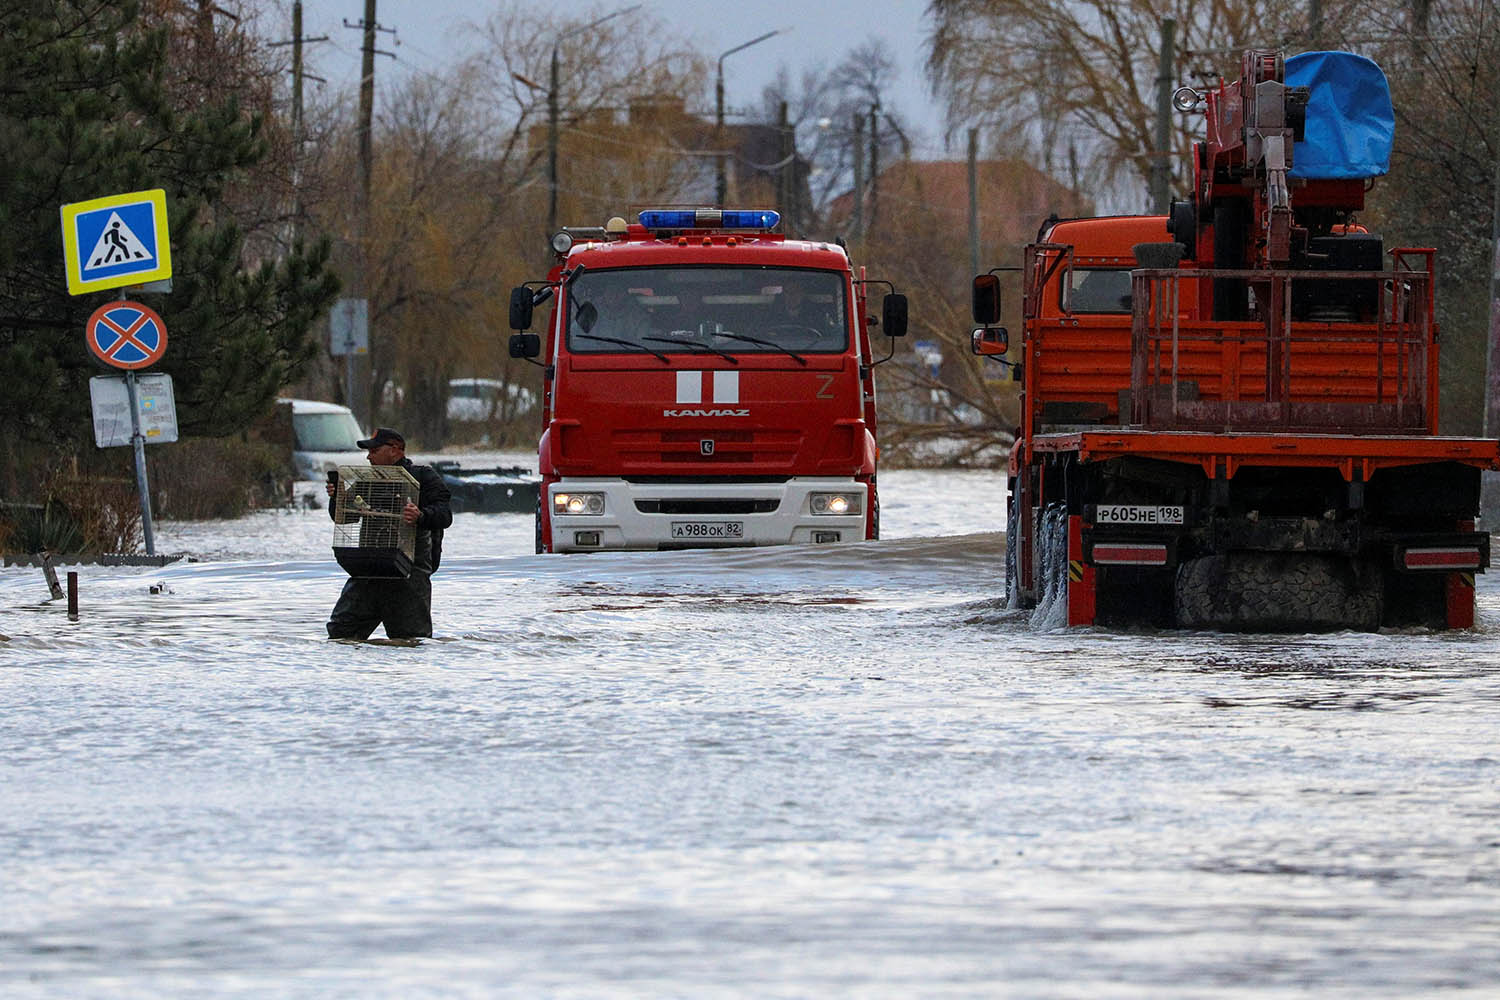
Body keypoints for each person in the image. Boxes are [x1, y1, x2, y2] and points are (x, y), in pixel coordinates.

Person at [325, 427, 452, 640]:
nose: (368, 456)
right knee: (341, 635)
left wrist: (420, 515)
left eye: (374, 451)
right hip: (368, 568)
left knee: (411, 640)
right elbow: (344, 518)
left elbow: (445, 515)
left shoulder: (423, 476)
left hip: (408, 574)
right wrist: (337, 498)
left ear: (395, 450)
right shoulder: (365, 480)